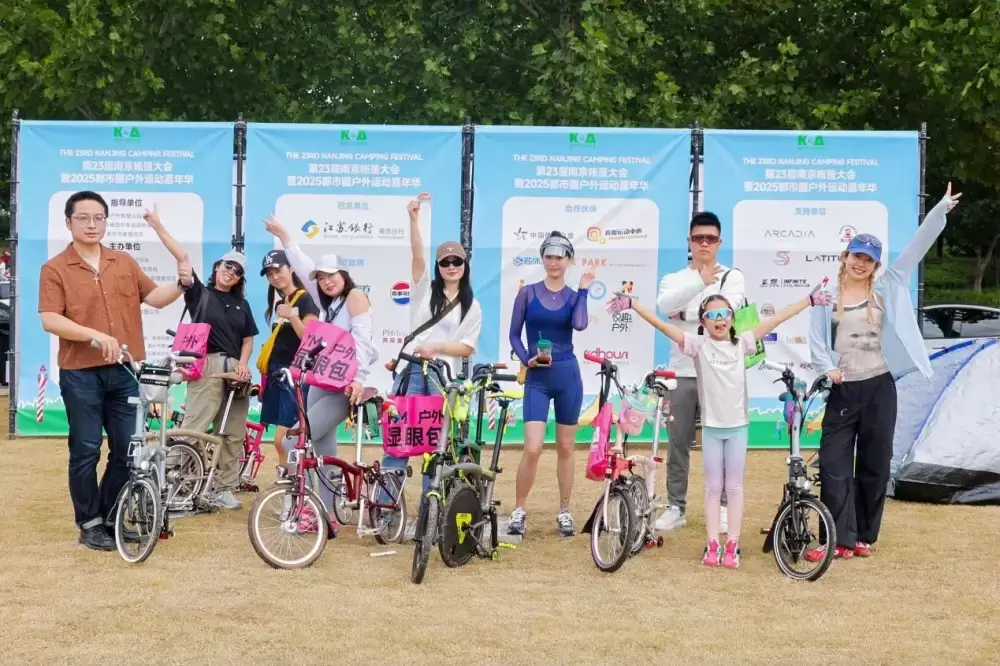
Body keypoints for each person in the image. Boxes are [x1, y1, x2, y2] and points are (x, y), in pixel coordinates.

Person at [610, 282, 831, 568]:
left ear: (732, 318)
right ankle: (713, 544)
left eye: (725, 313)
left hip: (738, 428)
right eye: (712, 315)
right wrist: (633, 304)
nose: (720, 319)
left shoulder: (743, 343)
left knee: (734, 487)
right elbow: (663, 326)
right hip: (712, 429)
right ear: (702, 321)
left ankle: (733, 545)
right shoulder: (697, 345)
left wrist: (809, 300)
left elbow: (776, 319)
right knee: (714, 488)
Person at [806, 184, 962, 561]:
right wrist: (828, 369)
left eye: (869, 259)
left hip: (879, 386)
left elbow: (915, 249)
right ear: (845, 257)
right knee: (834, 464)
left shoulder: (888, 286)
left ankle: (862, 536)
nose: (861, 263)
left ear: (876, 265)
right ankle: (837, 539)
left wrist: (939, 210)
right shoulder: (825, 295)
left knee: (875, 464)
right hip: (844, 389)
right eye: (856, 256)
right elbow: (815, 342)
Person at [39, 192, 190, 551]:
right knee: (86, 449)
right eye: (83, 218)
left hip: (124, 371)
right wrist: (94, 335)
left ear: (106, 222)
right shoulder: (55, 268)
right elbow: (50, 319)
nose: (92, 224)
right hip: (80, 373)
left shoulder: (122, 261)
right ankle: (89, 523)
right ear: (68, 223)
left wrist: (181, 284)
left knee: (127, 449)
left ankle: (110, 517)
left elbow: (155, 298)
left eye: (98, 218)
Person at [264, 215, 378, 524]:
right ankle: (326, 514)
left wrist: (358, 379)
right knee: (323, 450)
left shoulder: (355, 297)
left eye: (332, 275)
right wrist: (285, 236)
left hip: (344, 387)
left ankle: (309, 508)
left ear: (344, 275)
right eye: (322, 278)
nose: (327, 281)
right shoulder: (326, 303)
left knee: (293, 440)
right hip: (320, 381)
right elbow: (303, 267)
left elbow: (363, 342)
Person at [380, 197, 483, 494]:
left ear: (465, 265)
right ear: (438, 266)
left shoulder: (472, 305)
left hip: (443, 378)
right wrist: (413, 220)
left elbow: (467, 347)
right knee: (400, 436)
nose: (451, 266)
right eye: (445, 262)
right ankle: (386, 506)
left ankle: (431, 508)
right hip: (412, 371)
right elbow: (417, 256)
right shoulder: (425, 290)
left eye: (456, 261)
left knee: (437, 444)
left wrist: (436, 347)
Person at [654, 211, 746, 534]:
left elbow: (727, 312)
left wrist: (687, 313)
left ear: (720, 242)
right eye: (698, 238)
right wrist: (701, 284)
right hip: (680, 373)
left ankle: (723, 507)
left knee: (722, 442)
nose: (704, 244)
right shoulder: (673, 279)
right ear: (689, 241)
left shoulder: (732, 277)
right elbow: (666, 307)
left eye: (711, 238)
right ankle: (675, 506)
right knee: (677, 442)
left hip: (720, 373)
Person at [507, 231, 594, 537]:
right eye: (549, 256)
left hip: (567, 375)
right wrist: (526, 359)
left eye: (559, 257)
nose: (554, 262)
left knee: (566, 447)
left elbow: (580, 324)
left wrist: (584, 291)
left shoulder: (573, 296)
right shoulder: (527, 293)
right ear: (542, 258)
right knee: (532, 447)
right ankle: (519, 510)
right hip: (538, 377)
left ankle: (565, 511)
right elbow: (514, 334)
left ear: (568, 260)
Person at [176, 248, 259, 510]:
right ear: (216, 267)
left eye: (237, 271)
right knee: (194, 426)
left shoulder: (242, 305)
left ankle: (223, 487)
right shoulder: (201, 293)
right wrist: (157, 227)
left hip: (236, 369)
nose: (230, 272)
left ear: (240, 279)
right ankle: (176, 482)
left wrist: (243, 364)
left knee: (233, 432)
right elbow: (184, 266)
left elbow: (248, 340)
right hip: (207, 363)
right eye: (227, 265)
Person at [258, 249, 320, 466]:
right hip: (277, 373)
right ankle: (288, 477)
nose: (275, 277)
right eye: (270, 274)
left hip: (295, 375)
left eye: (278, 270)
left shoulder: (305, 299)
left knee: (284, 439)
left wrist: (292, 316)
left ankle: (292, 476)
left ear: (291, 268)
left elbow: (309, 338)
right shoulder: (280, 303)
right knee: (282, 440)